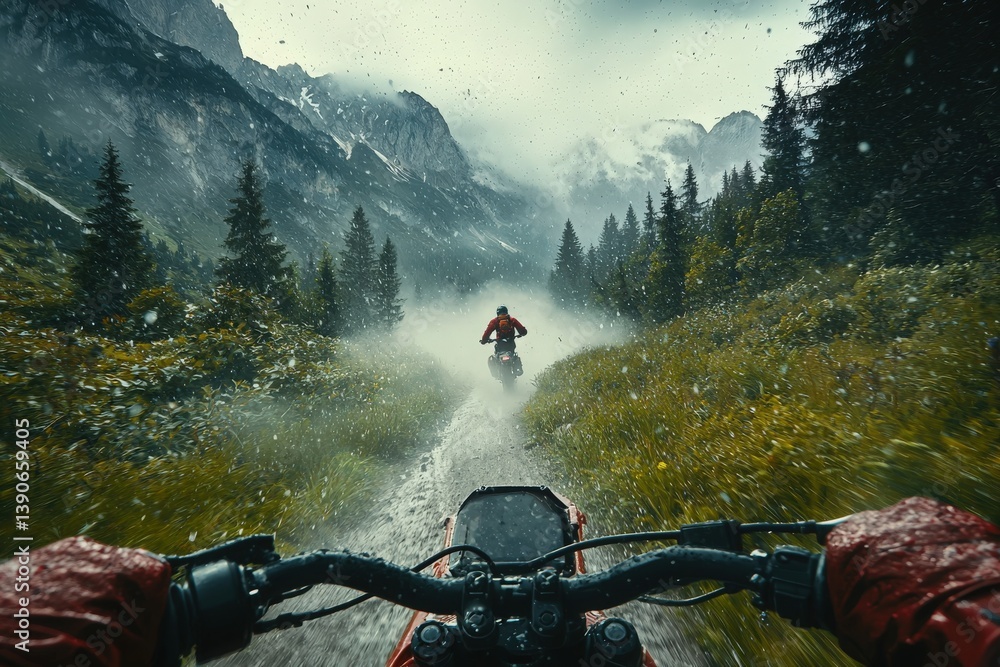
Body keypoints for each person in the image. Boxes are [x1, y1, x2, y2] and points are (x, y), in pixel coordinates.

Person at [1, 497, 998, 666]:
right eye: (506, 329)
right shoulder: (497, 326)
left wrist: (169, 609)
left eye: (509, 329)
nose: (508, 330)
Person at [480, 304, 527, 376]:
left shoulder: (494, 321)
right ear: (506, 312)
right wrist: (522, 334)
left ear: (497, 313)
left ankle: (495, 374)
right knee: (514, 356)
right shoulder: (512, 320)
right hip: (510, 345)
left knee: (492, 359)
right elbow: (523, 331)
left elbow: (487, 333)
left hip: (500, 346)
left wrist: (484, 341)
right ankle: (517, 369)